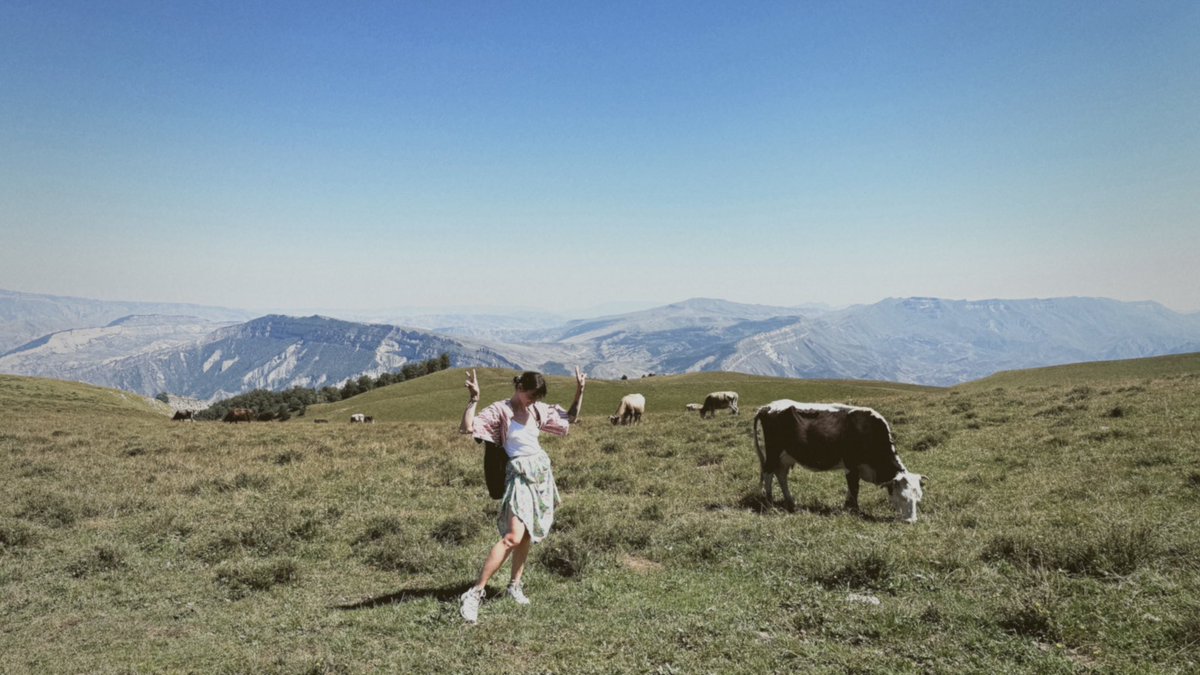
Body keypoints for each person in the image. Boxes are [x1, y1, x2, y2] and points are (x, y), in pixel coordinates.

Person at [456, 367, 586, 624]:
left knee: (527, 534)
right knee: (512, 536)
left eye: (537, 397)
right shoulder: (500, 411)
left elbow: (569, 417)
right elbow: (467, 427)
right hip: (517, 475)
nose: (533, 401)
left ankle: (514, 585)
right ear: (519, 388)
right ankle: (474, 593)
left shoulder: (537, 410)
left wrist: (580, 391)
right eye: (531, 395)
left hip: (540, 474)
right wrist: (474, 399)